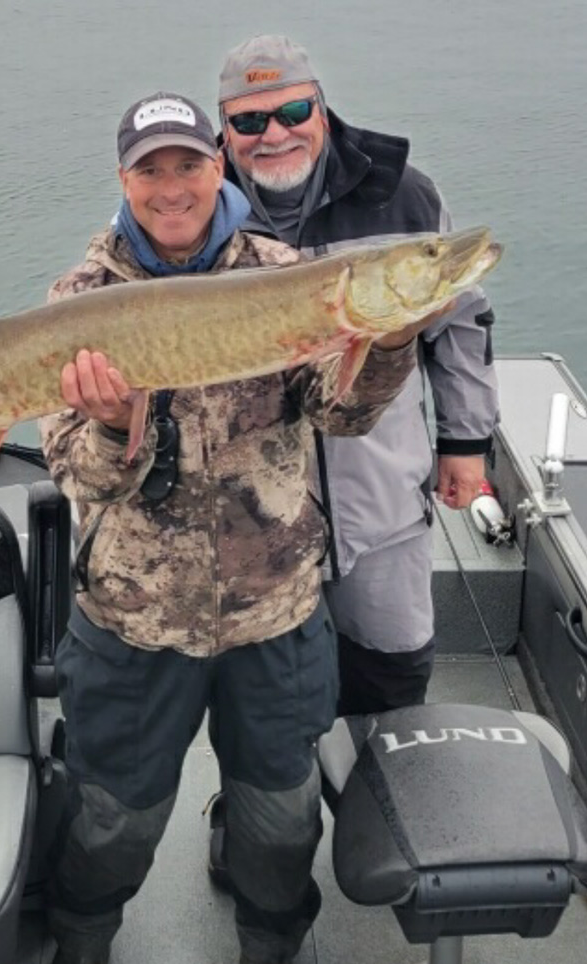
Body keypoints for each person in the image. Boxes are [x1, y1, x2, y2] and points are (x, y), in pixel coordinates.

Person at [40, 90, 423, 964]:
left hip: (275, 611)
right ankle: (83, 940)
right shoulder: (79, 298)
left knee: (282, 820)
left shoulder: (284, 272)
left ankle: (270, 944)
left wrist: (391, 341)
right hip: (136, 621)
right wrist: (108, 424)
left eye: (189, 165)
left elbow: (340, 412)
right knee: (111, 824)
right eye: (151, 171)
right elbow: (79, 476)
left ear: (220, 165)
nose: (172, 188)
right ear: (124, 181)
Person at [206, 31, 500, 888]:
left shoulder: (404, 196)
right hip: (255, 516)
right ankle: (247, 815)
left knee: (391, 661)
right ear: (225, 132)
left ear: (321, 108)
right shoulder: (198, 211)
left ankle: (388, 810)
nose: (275, 134)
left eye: (293, 111)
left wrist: (465, 441)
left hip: (381, 493)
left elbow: (461, 321)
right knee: (254, 693)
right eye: (251, 120)